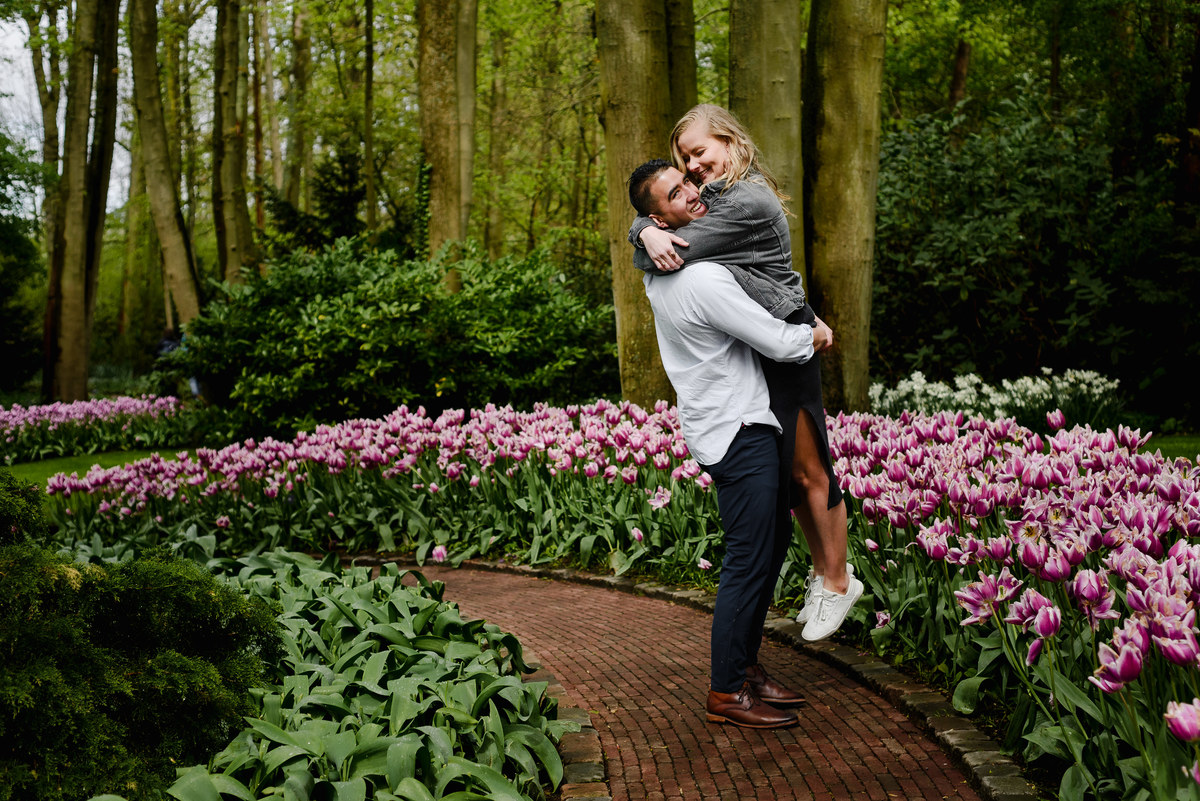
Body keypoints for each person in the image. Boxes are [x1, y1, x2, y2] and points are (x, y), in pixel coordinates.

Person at [629, 104, 861, 642]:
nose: (691, 166)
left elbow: (677, 250)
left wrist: (648, 236)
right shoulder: (715, 197)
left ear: (730, 141)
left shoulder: (749, 201)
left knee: (808, 468)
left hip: (786, 336)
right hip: (759, 340)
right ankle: (825, 575)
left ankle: (837, 580)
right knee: (789, 474)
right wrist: (646, 229)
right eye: (684, 158)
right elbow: (663, 224)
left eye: (700, 151)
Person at [628, 159, 827, 729]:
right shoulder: (701, 277)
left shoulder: (663, 270)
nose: (691, 192)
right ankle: (725, 691)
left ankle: (745, 670)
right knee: (748, 561)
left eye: (688, 182)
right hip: (739, 429)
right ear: (655, 216)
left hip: (726, 424)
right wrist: (814, 332)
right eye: (674, 193)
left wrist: (643, 234)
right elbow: (777, 342)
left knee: (765, 552)